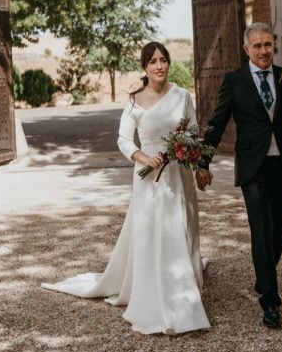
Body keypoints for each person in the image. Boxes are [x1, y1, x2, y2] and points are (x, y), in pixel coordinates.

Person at [42, 41, 210, 335]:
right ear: (144, 67)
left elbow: (193, 132)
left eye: (163, 60)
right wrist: (145, 158)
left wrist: (197, 165)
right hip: (148, 175)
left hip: (178, 173)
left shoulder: (182, 96)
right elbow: (123, 139)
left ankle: (184, 287)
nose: (159, 66)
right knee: (151, 230)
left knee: (181, 226)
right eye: (153, 61)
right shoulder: (134, 100)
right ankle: (151, 292)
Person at [196, 22, 282, 329]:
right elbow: (217, 123)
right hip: (252, 167)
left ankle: (264, 273)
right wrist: (203, 162)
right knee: (260, 230)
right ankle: (270, 302)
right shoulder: (235, 81)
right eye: (257, 46)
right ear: (246, 50)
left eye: (268, 44)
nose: (263, 51)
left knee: (278, 231)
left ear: (274, 46)